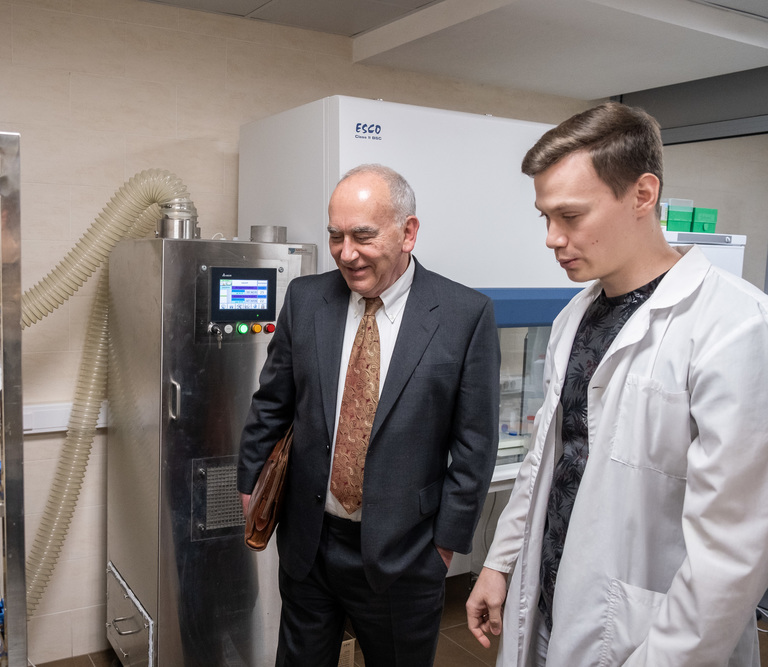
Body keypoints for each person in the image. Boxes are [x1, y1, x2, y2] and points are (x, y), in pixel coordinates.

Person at [465, 101, 768, 666]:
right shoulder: (573, 317)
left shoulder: (735, 326)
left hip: (651, 638)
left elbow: (732, 552)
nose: (552, 238)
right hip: (551, 605)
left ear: (642, 195)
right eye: (545, 217)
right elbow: (547, 459)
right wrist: (499, 563)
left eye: (570, 216)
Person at [237, 163, 500, 666]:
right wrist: (251, 480)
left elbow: (474, 445)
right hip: (310, 543)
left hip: (406, 554)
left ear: (408, 232)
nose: (346, 252)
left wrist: (445, 545)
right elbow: (272, 401)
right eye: (336, 236)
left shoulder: (463, 315)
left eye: (362, 236)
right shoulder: (306, 300)